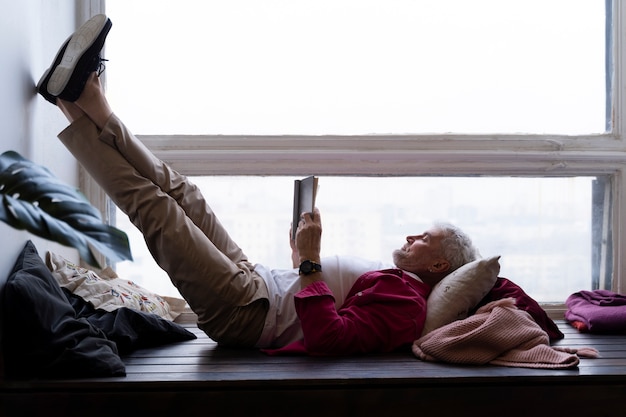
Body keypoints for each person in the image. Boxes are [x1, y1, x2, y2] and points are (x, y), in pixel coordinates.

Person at [36, 14, 480, 355]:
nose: (412, 235)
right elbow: (323, 302)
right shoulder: (399, 284)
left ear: (440, 266)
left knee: (158, 210)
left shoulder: (409, 305)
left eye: (426, 239)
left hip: (246, 313)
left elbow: (330, 337)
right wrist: (299, 260)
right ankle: (86, 101)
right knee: (186, 195)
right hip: (255, 282)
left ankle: (71, 105)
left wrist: (309, 261)